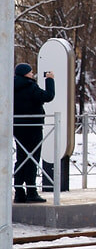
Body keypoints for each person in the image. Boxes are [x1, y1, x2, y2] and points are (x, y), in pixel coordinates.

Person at [13, 63, 54, 204]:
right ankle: (31, 192)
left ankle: (18, 192)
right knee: (32, 158)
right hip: (33, 127)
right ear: (25, 73)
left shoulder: (11, 86)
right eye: (30, 72)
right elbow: (48, 96)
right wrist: (50, 80)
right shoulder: (30, 86)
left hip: (17, 127)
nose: (32, 74)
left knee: (21, 158)